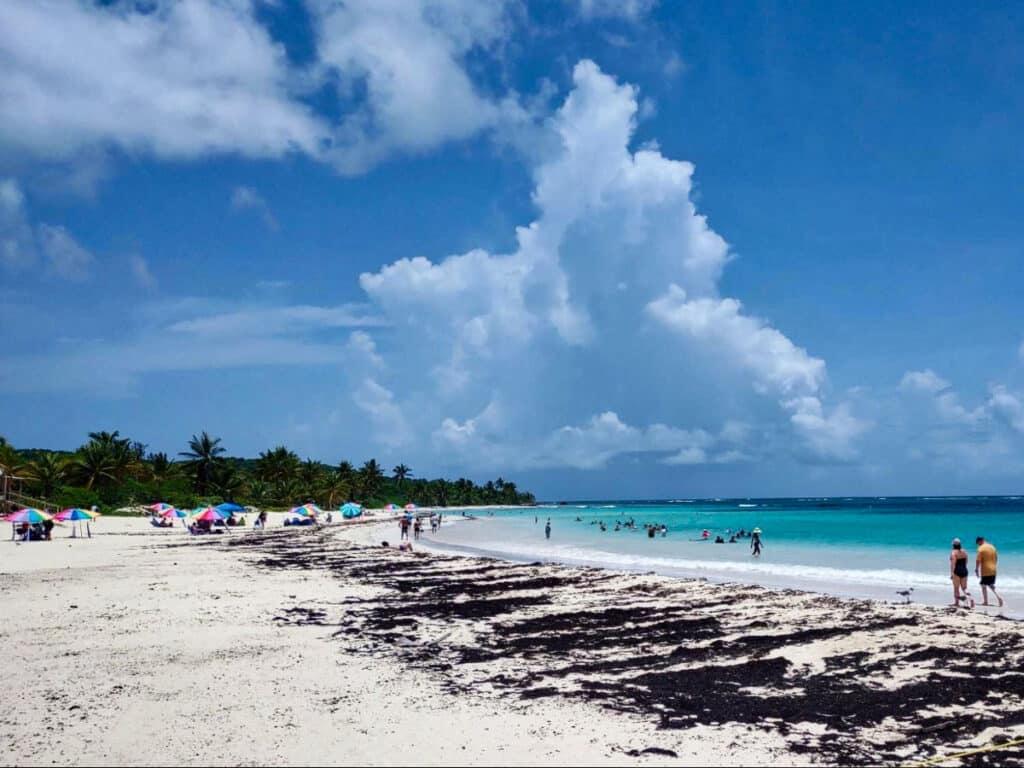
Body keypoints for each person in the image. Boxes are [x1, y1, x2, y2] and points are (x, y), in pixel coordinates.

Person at [975, 536, 1004, 608]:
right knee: (990, 584)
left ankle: (988, 600)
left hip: (986, 570)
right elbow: (996, 558)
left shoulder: (981, 549)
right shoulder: (992, 547)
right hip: (993, 569)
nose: (978, 545)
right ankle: (994, 598)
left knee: (983, 585)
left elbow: (978, 560)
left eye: (978, 543)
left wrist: (976, 569)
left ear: (980, 541)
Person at [949, 538, 974, 608]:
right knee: (964, 588)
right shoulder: (964, 551)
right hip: (964, 570)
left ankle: (956, 603)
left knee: (956, 588)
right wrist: (963, 568)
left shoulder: (953, 552)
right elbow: (966, 562)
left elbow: (953, 564)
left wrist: (952, 573)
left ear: (953, 545)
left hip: (957, 571)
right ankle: (971, 599)